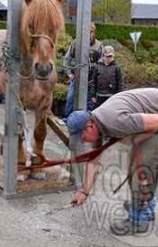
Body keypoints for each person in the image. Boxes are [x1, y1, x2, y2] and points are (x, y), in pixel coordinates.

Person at [66, 88, 158, 235]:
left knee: (140, 172)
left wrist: (136, 141)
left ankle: (139, 221)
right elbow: (93, 162)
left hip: (155, 122)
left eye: (82, 138)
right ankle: (145, 209)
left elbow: (156, 121)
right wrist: (84, 192)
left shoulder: (114, 121)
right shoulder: (98, 122)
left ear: (90, 127)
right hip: (151, 118)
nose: (83, 142)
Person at [63, 23, 103, 118]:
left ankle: (87, 122)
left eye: (90, 32)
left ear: (94, 33)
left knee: (90, 103)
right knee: (70, 99)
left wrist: (97, 79)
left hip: (91, 81)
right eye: (86, 32)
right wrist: (69, 74)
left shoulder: (99, 46)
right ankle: (67, 119)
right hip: (77, 79)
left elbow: (102, 65)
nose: (88, 35)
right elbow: (67, 59)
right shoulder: (76, 43)